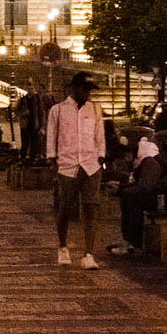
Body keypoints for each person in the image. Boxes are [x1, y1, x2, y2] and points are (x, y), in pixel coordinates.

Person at [47, 72, 105, 269]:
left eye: (90, 90)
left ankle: (89, 253)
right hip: (67, 164)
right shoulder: (58, 110)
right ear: (74, 88)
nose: (88, 93)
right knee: (65, 208)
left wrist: (100, 157)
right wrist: (52, 159)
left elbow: (99, 135)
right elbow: (52, 135)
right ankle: (62, 246)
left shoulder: (95, 110)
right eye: (84, 89)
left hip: (90, 165)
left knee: (91, 208)